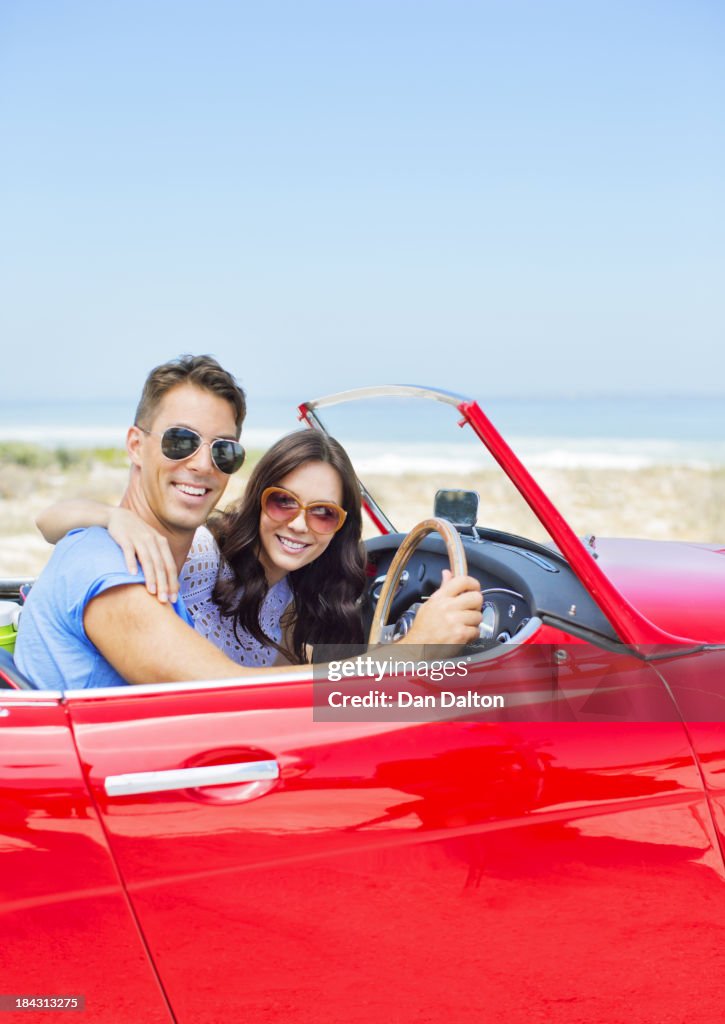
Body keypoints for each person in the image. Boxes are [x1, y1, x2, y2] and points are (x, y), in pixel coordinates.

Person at [18, 354, 483, 690]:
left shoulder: (149, 562)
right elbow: (228, 692)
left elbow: (274, 678)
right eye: (181, 441)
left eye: (222, 450)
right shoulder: (108, 569)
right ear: (136, 446)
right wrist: (411, 652)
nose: (202, 465)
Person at [40, 429, 370, 668]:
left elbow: (288, 679)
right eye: (283, 502)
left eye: (323, 513)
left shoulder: (287, 597)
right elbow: (47, 521)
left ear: (341, 526)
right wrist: (113, 516)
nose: (299, 524)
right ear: (258, 500)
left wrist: (396, 654)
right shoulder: (202, 556)